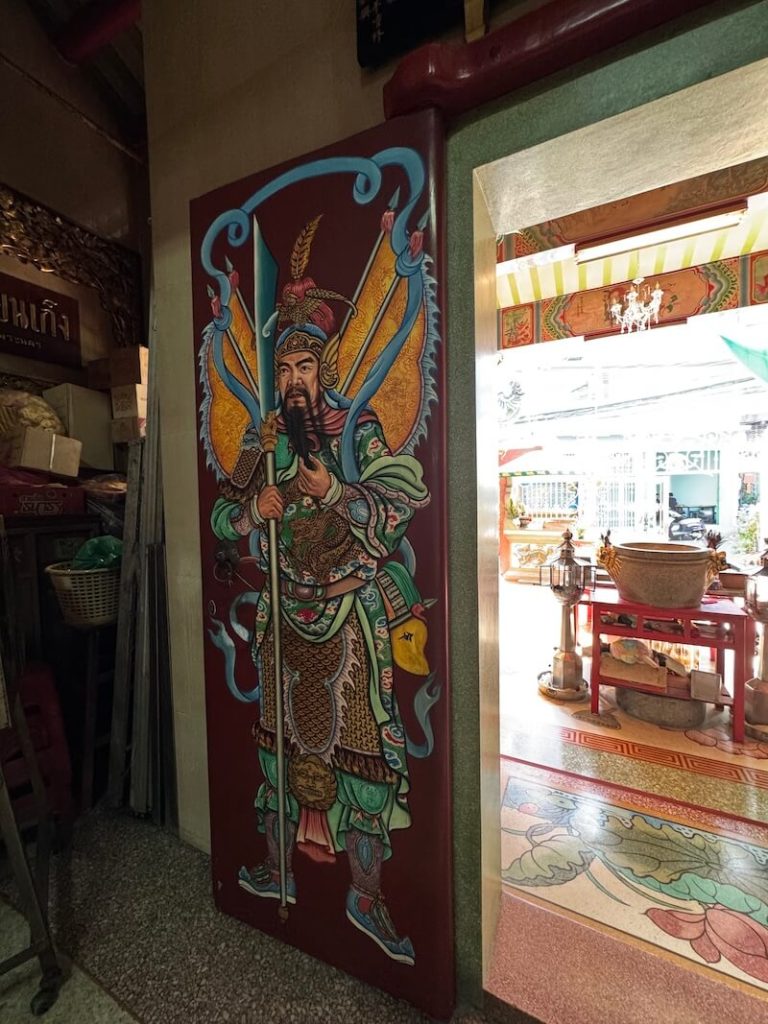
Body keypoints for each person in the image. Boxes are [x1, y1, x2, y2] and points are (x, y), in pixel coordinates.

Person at [210, 318, 430, 966]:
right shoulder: (264, 441)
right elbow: (224, 515)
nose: (292, 381)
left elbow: (398, 507)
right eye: (282, 370)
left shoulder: (357, 433)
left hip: (346, 613)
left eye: (303, 367)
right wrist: (256, 510)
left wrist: (333, 491)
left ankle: (365, 896)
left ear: (323, 372)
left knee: (362, 754)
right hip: (283, 614)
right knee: (278, 746)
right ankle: (278, 870)